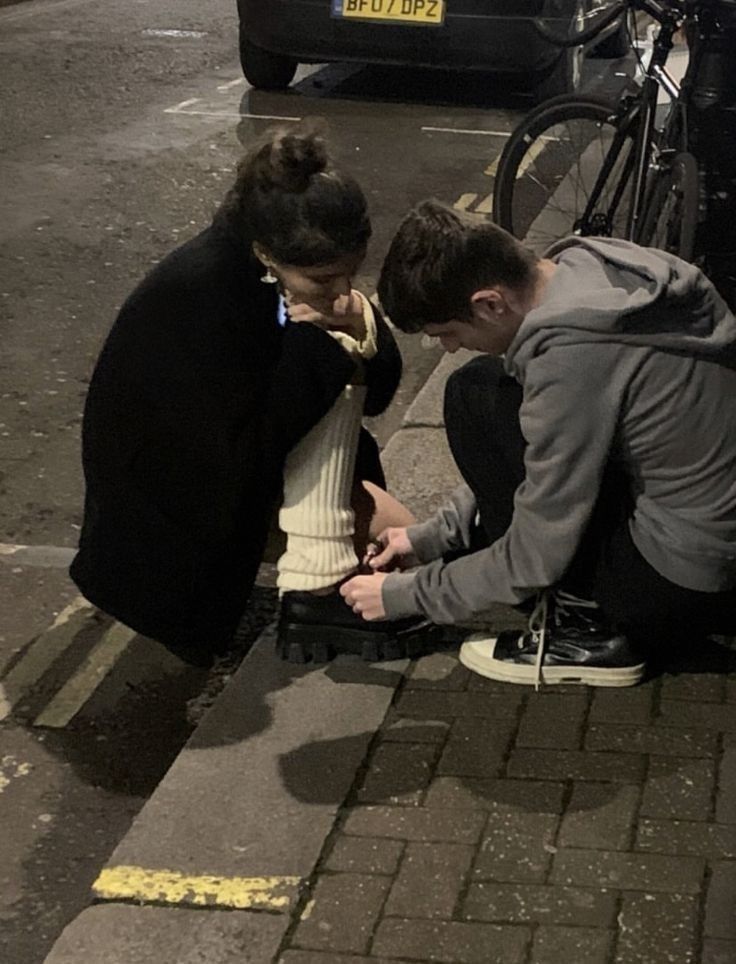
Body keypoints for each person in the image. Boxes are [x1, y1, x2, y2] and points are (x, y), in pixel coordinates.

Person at [340, 199, 736, 687]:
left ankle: (586, 626)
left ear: (489, 303)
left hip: (678, 582)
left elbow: (534, 556)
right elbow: (549, 460)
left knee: (472, 394)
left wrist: (405, 594)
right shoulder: (598, 268)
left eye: (448, 332)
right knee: (491, 385)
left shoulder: (572, 359)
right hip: (714, 537)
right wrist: (430, 538)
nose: (448, 347)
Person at [70, 126, 421, 668]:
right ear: (266, 253)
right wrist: (326, 347)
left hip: (234, 466)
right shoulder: (199, 297)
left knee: (400, 534)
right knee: (388, 536)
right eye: (324, 278)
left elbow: (370, 398)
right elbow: (232, 455)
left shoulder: (263, 277)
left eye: (350, 274)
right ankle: (316, 592)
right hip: (164, 510)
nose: (340, 291)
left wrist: (360, 327)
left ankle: (328, 581)